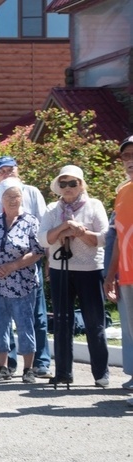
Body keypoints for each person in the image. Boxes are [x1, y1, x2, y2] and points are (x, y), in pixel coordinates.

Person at [0, 156, 51, 378]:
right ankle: (5, 366)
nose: (13, 199)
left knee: (32, 319)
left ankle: (37, 364)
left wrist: (14, 265)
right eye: (2, 170)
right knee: (0, 323)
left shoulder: (32, 203)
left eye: (11, 169)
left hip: (23, 277)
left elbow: (40, 242)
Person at [39, 165, 109, 387]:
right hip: (61, 269)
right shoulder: (52, 209)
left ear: (81, 184)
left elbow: (104, 238)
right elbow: (43, 239)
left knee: (94, 322)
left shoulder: (94, 206)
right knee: (61, 322)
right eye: (63, 183)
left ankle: (101, 373)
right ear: (58, 187)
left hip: (90, 270)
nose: (67, 188)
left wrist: (81, 233)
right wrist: (62, 228)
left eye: (73, 183)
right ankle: (63, 373)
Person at [104, 135, 133, 393]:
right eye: (126, 156)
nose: (130, 161)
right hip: (127, 276)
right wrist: (110, 275)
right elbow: (118, 238)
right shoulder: (122, 193)